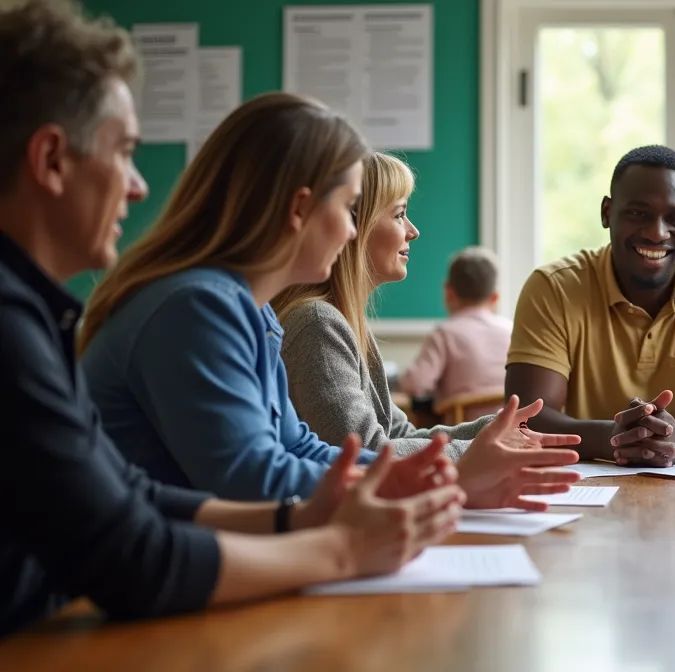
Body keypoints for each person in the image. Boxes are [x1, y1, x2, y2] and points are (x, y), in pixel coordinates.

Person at [0, 0, 462, 637]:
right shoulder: (190, 304)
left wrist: (313, 518)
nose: (138, 187)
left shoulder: (233, 311)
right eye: (127, 152)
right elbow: (142, 541)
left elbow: (131, 494)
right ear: (52, 160)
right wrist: (343, 546)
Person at [78, 93, 579, 508]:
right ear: (300, 209)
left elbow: (301, 448)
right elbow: (250, 477)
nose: (350, 230)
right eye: (346, 208)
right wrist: (446, 477)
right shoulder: (198, 308)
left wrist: (455, 464)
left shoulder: (250, 314)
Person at [273, 153, 580, 510]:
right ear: (355, 227)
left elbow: (398, 434)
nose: (413, 231)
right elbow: (364, 452)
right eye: (400, 214)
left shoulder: (343, 321)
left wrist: (488, 430)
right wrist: (479, 450)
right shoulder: (316, 322)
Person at [505, 145, 675, 467]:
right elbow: (525, 419)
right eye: (639, 214)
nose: (656, 233)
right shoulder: (553, 287)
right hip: (582, 486)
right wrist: (616, 438)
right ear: (607, 212)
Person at [398, 245, 514, 420]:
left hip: (463, 437)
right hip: (510, 428)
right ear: (495, 297)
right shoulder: (511, 330)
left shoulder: (445, 333)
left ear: (448, 293)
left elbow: (414, 385)